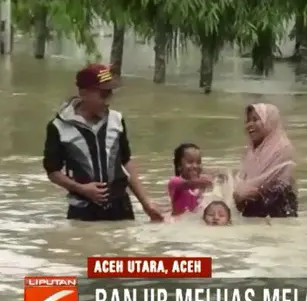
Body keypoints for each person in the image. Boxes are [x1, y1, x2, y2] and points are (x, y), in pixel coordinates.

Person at [42, 64, 163, 221]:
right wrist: (82, 189)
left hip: (121, 208)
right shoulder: (59, 126)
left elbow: (125, 162)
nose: (108, 100)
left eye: (110, 93)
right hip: (83, 210)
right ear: (84, 93)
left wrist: (146, 203)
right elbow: (53, 172)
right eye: (103, 94)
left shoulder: (117, 120)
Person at [233, 103, 298, 218]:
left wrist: (255, 192)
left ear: (269, 122)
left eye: (255, 120)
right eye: (248, 121)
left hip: (278, 216)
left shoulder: (282, 149)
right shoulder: (252, 152)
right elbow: (241, 184)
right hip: (253, 215)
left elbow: (281, 188)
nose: (250, 125)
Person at [169, 143, 214, 216]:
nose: (195, 166)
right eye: (190, 162)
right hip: (179, 221)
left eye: (198, 162)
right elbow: (188, 184)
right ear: (179, 166)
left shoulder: (201, 180)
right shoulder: (174, 182)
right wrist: (210, 181)